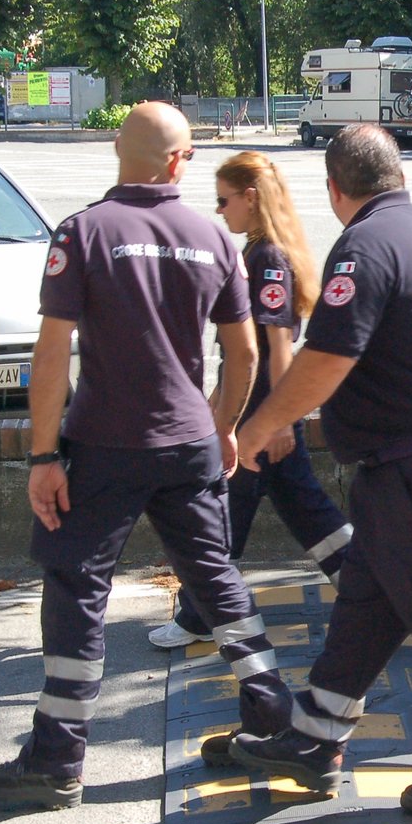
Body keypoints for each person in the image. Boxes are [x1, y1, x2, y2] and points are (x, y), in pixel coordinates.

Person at [0, 103, 292, 809]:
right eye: (192, 153)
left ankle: (57, 758)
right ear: (176, 161)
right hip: (188, 443)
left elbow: (52, 352)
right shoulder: (212, 237)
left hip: (106, 443)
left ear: (120, 149)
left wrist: (43, 454)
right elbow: (244, 352)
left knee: (78, 584)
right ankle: (274, 715)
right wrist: (223, 426)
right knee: (214, 577)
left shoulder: (84, 232)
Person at [227, 125, 412, 819]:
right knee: (368, 598)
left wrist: (260, 427)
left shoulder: (363, 246)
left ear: (335, 188)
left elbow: (327, 359)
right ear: (401, 176)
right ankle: (317, 733)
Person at [147, 152, 353, 649]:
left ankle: (200, 616)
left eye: (224, 200)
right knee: (305, 514)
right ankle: (374, 594)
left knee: (223, 519)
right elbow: (245, 355)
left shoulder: (267, 260)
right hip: (262, 420)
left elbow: (277, 348)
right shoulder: (268, 254)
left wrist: (279, 422)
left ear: (251, 198)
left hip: (261, 424)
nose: (220, 211)